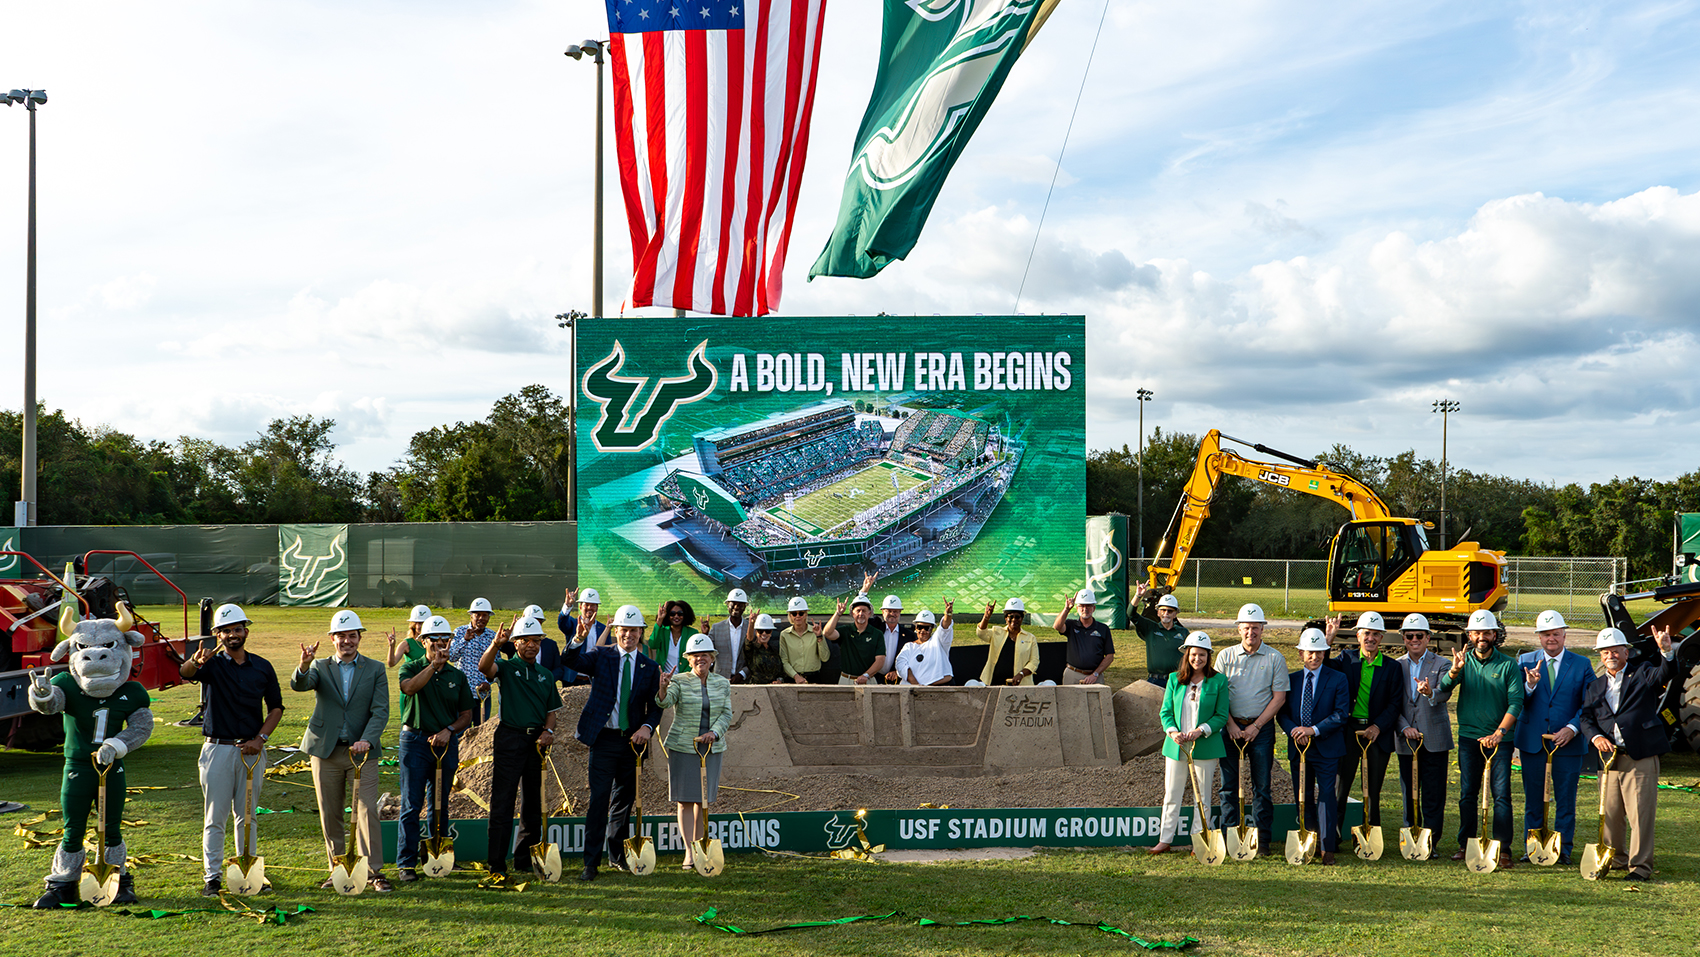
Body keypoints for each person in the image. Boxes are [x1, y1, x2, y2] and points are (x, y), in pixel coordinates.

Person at [179, 603, 285, 896]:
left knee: (247, 815)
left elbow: (276, 708)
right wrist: (195, 662)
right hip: (218, 750)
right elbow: (185, 672)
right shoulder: (210, 664)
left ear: (245, 631)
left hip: (252, 750)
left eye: (237, 629)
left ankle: (247, 872)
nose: (232, 635)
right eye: (226, 630)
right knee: (215, 817)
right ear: (217, 634)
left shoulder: (262, 666)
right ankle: (211, 878)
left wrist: (260, 740)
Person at [291, 610, 393, 892]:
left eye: (352, 635)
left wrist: (368, 740)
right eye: (341, 636)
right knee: (330, 811)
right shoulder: (320, 667)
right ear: (332, 639)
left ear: (359, 638)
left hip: (362, 753)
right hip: (325, 751)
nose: (347, 641)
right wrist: (303, 665)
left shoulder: (374, 669)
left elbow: (380, 710)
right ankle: (337, 869)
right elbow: (300, 685)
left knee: (365, 810)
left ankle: (374, 873)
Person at [559, 604, 662, 881]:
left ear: (641, 633)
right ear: (615, 630)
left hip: (631, 743)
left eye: (633, 630)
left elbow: (655, 706)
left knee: (623, 802)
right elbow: (570, 662)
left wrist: (647, 727)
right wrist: (578, 638)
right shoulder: (601, 656)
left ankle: (617, 857)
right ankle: (590, 863)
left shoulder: (649, 667)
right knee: (599, 800)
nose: (628, 634)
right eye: (623, 629)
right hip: (603, 740)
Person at [1578, 625, 1680, 881]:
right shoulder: (1595, 686)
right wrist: (1596, 736)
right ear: (1599, 656)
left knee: (1640, 815)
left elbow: (1666, 673)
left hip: (1640, 757)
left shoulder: (1643, 672)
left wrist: (1666, 652)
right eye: (1604, 651)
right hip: (1610, 760)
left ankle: (1640, 867)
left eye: (1615, 650)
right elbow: (1586, 718)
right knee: (1610, 814)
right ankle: (1616, 859)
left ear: (1626, 651)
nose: (1610, 655)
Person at [1438, 608, 1523, 869]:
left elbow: (1516, 703)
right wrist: (1454, 671)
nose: (1481, 637)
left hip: (1500, 741)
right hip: (1469, 739)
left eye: (1486, 632)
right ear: (1470, 636)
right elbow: (1443, 689)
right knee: (1467, 794)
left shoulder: (1508, 664)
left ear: (1495, 635)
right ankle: (1466, 844)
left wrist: (1499, 733)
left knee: (1501, 796)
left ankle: (1503, 848)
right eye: (1476, 632)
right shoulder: (1464, 661)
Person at [395, 615, 476, 882]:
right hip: (415, 742)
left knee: (440, 803)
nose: (441, 644)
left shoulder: (457, 675)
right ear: (423, 641)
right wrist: (433, 666)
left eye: (446, 639)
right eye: (435, 640)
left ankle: (437, 857)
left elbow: (467, 714)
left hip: (445, 743)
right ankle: (406, 863)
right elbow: (408, 688)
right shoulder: (412, 667)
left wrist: (449, 730)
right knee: (411, 803)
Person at [479, 616, 559, 883]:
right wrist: (494, 644)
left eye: (536, 641)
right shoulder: (505, 667)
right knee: (502, 802)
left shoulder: (545, 675)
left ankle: (524, 860)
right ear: (515, 643)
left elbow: (551, 712)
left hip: (536, 742)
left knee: (533, 804)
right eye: (526, 641)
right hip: (509, 738)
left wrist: (548, 732)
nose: (532, 646)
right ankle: (497, 863)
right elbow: (484, 667)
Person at [1515, 609, 1594, 865]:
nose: (1552, 638)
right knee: (1534, 798)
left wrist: (1572, 728)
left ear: (1564, 634)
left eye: (1556, 634)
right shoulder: (1525, 661)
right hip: (1533, 743)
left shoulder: (1581, 664)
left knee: (1565, 800)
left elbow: (1590, 703)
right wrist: (1530, 685)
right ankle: (1533, 848)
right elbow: (1517, 700)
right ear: (1539, 637)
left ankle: (1563, 850)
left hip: (1568, 744)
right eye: (1546, 634)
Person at [1214, 603, 1288, 855]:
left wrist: (1256, 726)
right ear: (1239, 629)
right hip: (1230, 728)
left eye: (1255, 628)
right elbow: (1218, 695)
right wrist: (1232, 725)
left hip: (1262, 729)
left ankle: (1262, 841)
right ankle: (1229, 836)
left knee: (1262, 786)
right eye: (1246, 628)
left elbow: (1278, 698)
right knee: (1228, 786)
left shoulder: (1275, 658)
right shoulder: (1225, 656)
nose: (1250, 633)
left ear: (1262, 629)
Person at [655, 634, 733, 870]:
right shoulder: (678, 680)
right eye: (695, 655)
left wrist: (714, 733)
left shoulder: (722, 683)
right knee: (685, 801)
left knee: (704, 801)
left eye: (705, 655)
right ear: (688, 659)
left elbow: (726, 714)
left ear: (712, 659)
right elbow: (665, 703)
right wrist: (663, 687)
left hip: (711, 748)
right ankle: (689, 852)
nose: (700, 659)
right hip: (683, 747)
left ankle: (701, 848)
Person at [1151, 632, 1230, 854]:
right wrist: (1173, 731)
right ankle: (1165, 840)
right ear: (1187, 655)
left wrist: (1200, 731)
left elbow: (1221, 715)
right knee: (1172, 794)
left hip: (1204, 746)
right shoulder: (1174, 679)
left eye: (1202, 655)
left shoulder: (1218, 681)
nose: (1198, 659)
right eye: (1194, 654)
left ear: (1208, 656)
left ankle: (1200, 840)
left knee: (1202, 796)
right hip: (1177, 746)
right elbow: (1166, 711)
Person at [1278, 628, 1350, 865]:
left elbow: (1341, 714)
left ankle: (1327, 847)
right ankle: (1309, 839)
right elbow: (1283, 714)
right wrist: (1294, 731)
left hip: (1327, 748)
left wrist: (1313, 730)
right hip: (1299, 748)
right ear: (1300, 653)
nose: (1315, 657)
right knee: (1303, 795)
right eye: (1310, 652)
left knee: (1327, 795)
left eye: (1320, 652)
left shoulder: (1337, 679)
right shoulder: (1291, 679)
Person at [1331, 611, 1401, 848]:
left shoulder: (1391, 667)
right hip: (1348, 732)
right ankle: (1334, 836)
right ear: (1358, 636)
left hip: (1376, 735)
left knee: (1372, 789)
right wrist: (1328, 640)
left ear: (1382, 638)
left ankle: (1370, 838)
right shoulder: (1345, 659)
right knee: (1342, 786)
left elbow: (1395, 703)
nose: (1370, 638)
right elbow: (1324, 666)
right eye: (1366, 634)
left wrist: (1378, 726)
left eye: (1375, 634)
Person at [1393, 613, 1452, 858]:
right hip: (1407, 737)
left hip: (1435, 738)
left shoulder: (1443, 664)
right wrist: (1403, 726)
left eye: (1419, 635)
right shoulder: (1396, 665)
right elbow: (1391, 703)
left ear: (1428, 637)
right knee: (1409, 791)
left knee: (1434, 793)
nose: (1414, 639)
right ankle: (1411, 836)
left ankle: (1431, 841)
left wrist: (1430, 693)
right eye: (1410, 636)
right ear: (1404, 638)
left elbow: (1444, 693)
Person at [449, 598, 497, 724]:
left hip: (483, 694)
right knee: (460, 729)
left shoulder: (493, 636)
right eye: (478, 615)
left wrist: (488, 682)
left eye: (485, 615)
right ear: (471, 616)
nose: (481, 618)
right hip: (462, 692)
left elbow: (497, 665)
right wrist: (465, 640)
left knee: (480, 730)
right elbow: (451, 657)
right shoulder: (459, 632)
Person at [1053, 589, 1114, 685]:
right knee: (1069, 700)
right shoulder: (1071, 625)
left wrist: (1095, 674)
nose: (1085, 609)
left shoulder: (1103, 629)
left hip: (1095, 677)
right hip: (1072, 674)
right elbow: (1057, 626)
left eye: (1088, 606)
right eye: (1081, 606)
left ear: (1093, 608)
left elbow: (1110, 656)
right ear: (1077, 608)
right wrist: (1066, 609)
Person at [1132, 582, 1188, 686]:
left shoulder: (1183, 632)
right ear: (1158, 612)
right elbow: (1131, 614)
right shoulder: (1150, 628)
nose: (1166, 613)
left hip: (1176, 680)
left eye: (1170, 611)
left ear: (1175, 614)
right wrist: (1138, 596)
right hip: (1155, 680)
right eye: (1163, 610)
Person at [888, 604, 955, 685]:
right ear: (915, 628)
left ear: (932, 629)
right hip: (912, 691)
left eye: (927, 628)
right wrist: (917, 686)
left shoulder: (938, 641)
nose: (923, 631)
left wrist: (948, 614)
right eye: (920, 627)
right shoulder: (908, 646)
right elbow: (901, 665)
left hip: (937, 689)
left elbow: (945, 628)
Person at [978, 598, 1038, 686]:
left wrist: (1021, 674)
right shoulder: (996, 632)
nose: (1014, 619)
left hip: (1020, 684)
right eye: (1010, 617)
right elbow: (981, 633)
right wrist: (986, 618)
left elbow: (1034, 661)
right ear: (1006, 618)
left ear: (1022, 619)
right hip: (995, 682)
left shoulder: (1030, 638)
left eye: (1017, 617)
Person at [778, 597, 836, 684]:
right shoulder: (784, 635)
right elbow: (784, 660)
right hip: (792, 679)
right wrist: (796, 676)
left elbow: (825, 658)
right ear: (790, 616)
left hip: (814, 678)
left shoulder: (816, 632)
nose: (797, 616)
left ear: (805, 615)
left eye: (801, 613)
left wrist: (819, 637)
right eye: (794, 613)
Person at [835, 593, 888, 685]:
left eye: (864, 611)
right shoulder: (845, 630)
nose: (861, 614)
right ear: (852, 613)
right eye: (858, 610)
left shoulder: (877, 634)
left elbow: (880, 660)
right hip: (845, 680)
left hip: (868, 680)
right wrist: (838, 614)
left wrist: (866, 676)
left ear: (869, 613)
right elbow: (827, 633)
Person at [706, 588, 752, 682]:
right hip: (719, 680)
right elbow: (707, 652)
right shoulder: (716, 628)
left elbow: (754, 657)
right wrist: (705, 634)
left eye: (740, 605)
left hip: (743, 681)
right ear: (727, 605)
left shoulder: (751, 628)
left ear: (745, 607)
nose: (736, 607)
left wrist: (742, 674)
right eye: (733, 604)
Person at [649, 599, 701, 674]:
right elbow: (653, 644)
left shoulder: (692, 633)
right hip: (664, 677)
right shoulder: (663, 631)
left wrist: (683, 676)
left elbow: (695, 656)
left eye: (680, 614)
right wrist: (659, 620)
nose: (676, 616)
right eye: (672, 614)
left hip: (685, 678)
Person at [877, 593, 917, 679]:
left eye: (895, 611)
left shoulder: (909, 635)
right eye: (889, 611)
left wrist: (897, 672)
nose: (892, 614)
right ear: (883, 612)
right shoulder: (875, 629)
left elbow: (912, 659)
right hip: (874, 678)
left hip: (896, 681)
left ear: (900, 612)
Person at [744, 613, 786, 684]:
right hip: (756, 689)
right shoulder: (752, 649)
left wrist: (779, 680)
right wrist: (751, 623)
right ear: (756, 632)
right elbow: (749, 640)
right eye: (760, 631)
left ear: (771, 632)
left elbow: (780, 672)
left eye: (767, 631)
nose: (764, 634)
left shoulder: (774, 650)